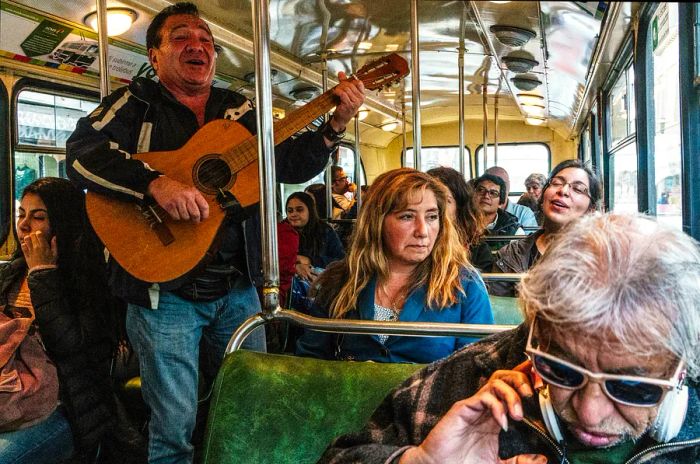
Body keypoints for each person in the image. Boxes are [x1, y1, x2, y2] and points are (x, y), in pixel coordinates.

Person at [65, 3, 365, 462]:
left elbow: (288, 164)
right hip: (164, 293)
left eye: (206, 40)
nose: (198, 46)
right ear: (155, 53)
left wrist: (335, 125)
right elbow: (82, 154)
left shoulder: (238, 108)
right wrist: (154, 184)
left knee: (251, 406)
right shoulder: (134, 104)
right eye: (183, 36)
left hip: (238, 288)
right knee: (173, 426)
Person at [316, 212, 700, 464]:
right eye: (560, 370)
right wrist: (419, 462)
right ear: (538, 332)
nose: (590, 413)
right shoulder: (473, 379)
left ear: (682, 369)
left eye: (632, 386)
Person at [296, 168, 494, 364]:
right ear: (377, 222)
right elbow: (311, 361)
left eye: (432, 217)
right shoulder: (341, 280)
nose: (423, 231)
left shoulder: (464, 284)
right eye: (407, 216)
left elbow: (476, 367)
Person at [0, 178, 116, 463]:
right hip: (9, 395)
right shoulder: (10, 275)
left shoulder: (91, 283)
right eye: (21, 214)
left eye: (38, 217)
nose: (25, 225)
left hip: (64, 407)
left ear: (63, 224)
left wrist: (42, 273)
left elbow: (69, 347)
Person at [490, 159, 601, 296]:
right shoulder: (511, 254)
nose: (563, 190)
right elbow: (500, 311)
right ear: (543, 197)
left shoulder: (602, 258)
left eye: (578, 189)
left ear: (591, 209)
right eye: (556, 183)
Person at [426, 167, 492, 273]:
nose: (436, 207)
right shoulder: (417, 243)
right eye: (430, 199)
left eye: (445, 200)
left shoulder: (477, 250)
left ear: (459, 206)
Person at [285, 191, 345, 282]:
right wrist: (295, 266)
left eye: (299, 209)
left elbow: (341, 261)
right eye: (290, 211)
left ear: (310, 210)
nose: (294, 214)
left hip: (322, 283)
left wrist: (310, 261)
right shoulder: (281, 232)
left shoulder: (324, 231)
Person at [485, 166, 538, 231]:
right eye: (491, 184)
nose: (499, 189)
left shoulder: (524, 213)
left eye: (503, 184)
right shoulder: (474, 214)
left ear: (509, 186)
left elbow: (529, 240)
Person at [474, 173, 524, 240]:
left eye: (493, 193)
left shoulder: (515, 232)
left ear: (500, 203)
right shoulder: (459, 223)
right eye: (481, 190)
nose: (486, 196)